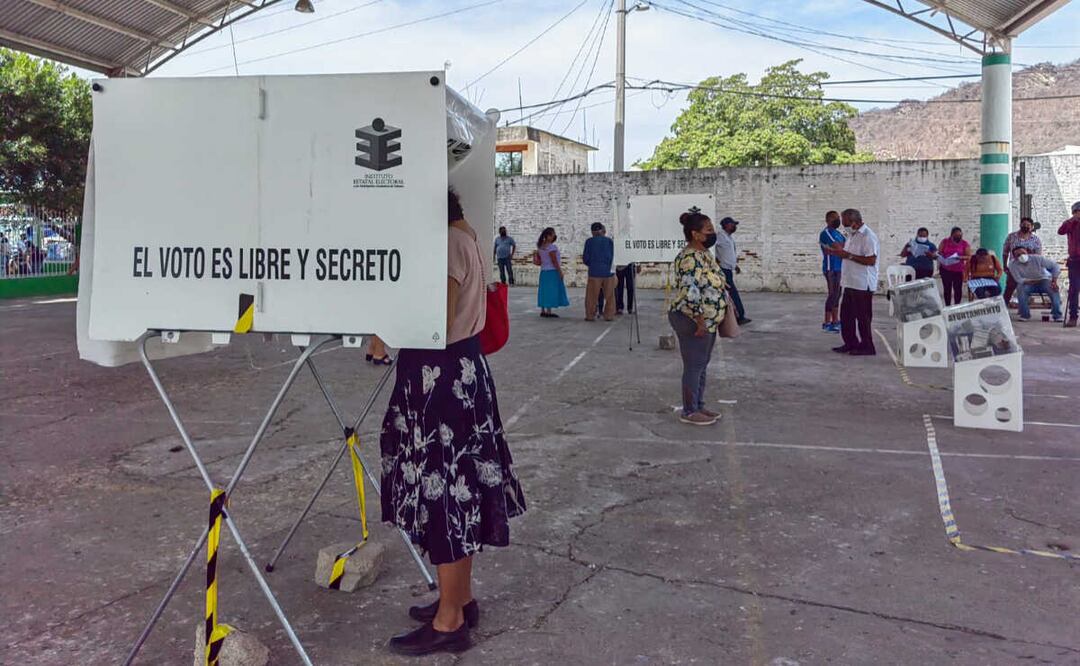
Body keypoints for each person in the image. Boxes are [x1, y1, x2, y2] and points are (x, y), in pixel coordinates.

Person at [382, 190, 526, 656]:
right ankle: (458, 599)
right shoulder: (467, 236)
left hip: (439, 381)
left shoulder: (445, 243)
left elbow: (435, 321)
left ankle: (448, 624)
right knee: (459, 488)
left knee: (442, 494)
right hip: (462, 373)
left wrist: (384, 330)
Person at [668, 208, 727, 426]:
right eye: (709, 230)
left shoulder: (704, 254)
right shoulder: (689, 258)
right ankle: (690, 411)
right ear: (695, 234)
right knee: (694, 366)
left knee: (701, 364)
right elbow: (689, 292)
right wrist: (700, 320)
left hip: (708, 320)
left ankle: (699, 405)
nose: (713, 233)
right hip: (692, 319)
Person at [829, 209, 879, 356]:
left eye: (846, 223)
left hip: (863, 284)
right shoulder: (852, 235)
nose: (844, 226)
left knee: (863, 318)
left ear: (855, 222)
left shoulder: (868, 236)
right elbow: (848, 255)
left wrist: (847, 255)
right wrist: (837, 252)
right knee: (846, 316)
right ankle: (851, 343)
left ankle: (867, 346)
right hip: (850, 282)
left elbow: (871, 260)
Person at [1008, 247, 1063, 323]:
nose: (1021, 256)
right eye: (1018, 255)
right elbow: (1018, 279)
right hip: (1028, 283)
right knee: (1020, 288)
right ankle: (1024, 314)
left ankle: (1057, 315)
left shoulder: (1037, 258)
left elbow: (1055, 266)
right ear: (1014, 257)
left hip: (1043, 280)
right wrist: (1029, 281)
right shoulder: (1012, 264)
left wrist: (1054, 280)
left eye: (1023, 253)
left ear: (1027, 252)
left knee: (1053, 288)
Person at [714, 216, 750, 325]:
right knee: (732, 293)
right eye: (733, 224)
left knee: (726, 294)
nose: (735, 226)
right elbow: (711, 248)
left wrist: (735, 265)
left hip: (729, 268)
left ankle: (729, 317)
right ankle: (739, 316)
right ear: (726, 225)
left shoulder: (729, 237)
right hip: (723, 269)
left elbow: (729, 253)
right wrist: (716, 261)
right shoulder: (720, 236)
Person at [1002, 216, 1042, 306]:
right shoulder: (1011, 237)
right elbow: (1005, 252)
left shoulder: (1035, 240)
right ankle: (1003, 308)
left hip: (1028, 269)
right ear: (1020, 225)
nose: (1026, 226)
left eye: (1028, 225)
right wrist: (1004, 265)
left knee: (1025, 288)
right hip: (1014, 267)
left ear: (1031, 227)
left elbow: (1038, 256)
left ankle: (1023, 311)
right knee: (1010, 287)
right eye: (1024, 224)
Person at [582, 222, 616, 321]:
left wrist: (592, 264)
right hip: (608, 272)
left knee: (591, 297)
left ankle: (590, 315)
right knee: (610, 296)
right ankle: (609, 315)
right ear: (602, 230)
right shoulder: (609, 241)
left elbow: (585, 258)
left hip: (594, 272)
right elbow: (614, 256)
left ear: (592, 232)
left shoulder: (589, 242)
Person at [819, 211, 844, 332]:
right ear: (828, 220)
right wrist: (838, 247)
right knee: (832, 294)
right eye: (835, 218)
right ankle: (827, 322)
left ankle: (836, 320)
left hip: (840, 267)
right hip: (831, 268)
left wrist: (838, 247)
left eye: (838, 217)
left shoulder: (838, 233)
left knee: (838, 295)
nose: (837, 220)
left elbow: (846, 246)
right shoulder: (826, 233)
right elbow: (839, 247)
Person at [535, 227, 569, 317]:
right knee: (551, 291)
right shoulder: (551, 247)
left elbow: (538, 261)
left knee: (543, 290)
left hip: (543, 271)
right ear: (548, 236)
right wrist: (560, 271)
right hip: (552, 271)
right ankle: (549, 311)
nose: (554, 236)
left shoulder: (540, 246)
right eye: (552, 234)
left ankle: (543, 309)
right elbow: (554, 261)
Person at [1058, 201, 1080, 327]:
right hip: (1074, 260)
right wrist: (1072, 220)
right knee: (1074, 289)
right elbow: (1060, 231)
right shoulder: (1070, 224)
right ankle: (1073, 316)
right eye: (1077, 212)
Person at [937, 226, 971, 306]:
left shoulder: (964, 243)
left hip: (958, 270)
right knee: (947, 288)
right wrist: (942, 256)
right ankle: (948, 305)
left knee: (958, 289)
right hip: (945, 268)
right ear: (951, 235)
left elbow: (968, 256)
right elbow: (939, 252)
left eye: (960, 235)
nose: (958, 237)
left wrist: (960, 257)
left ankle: (957, 305)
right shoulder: (945, 242)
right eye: (956, 235)